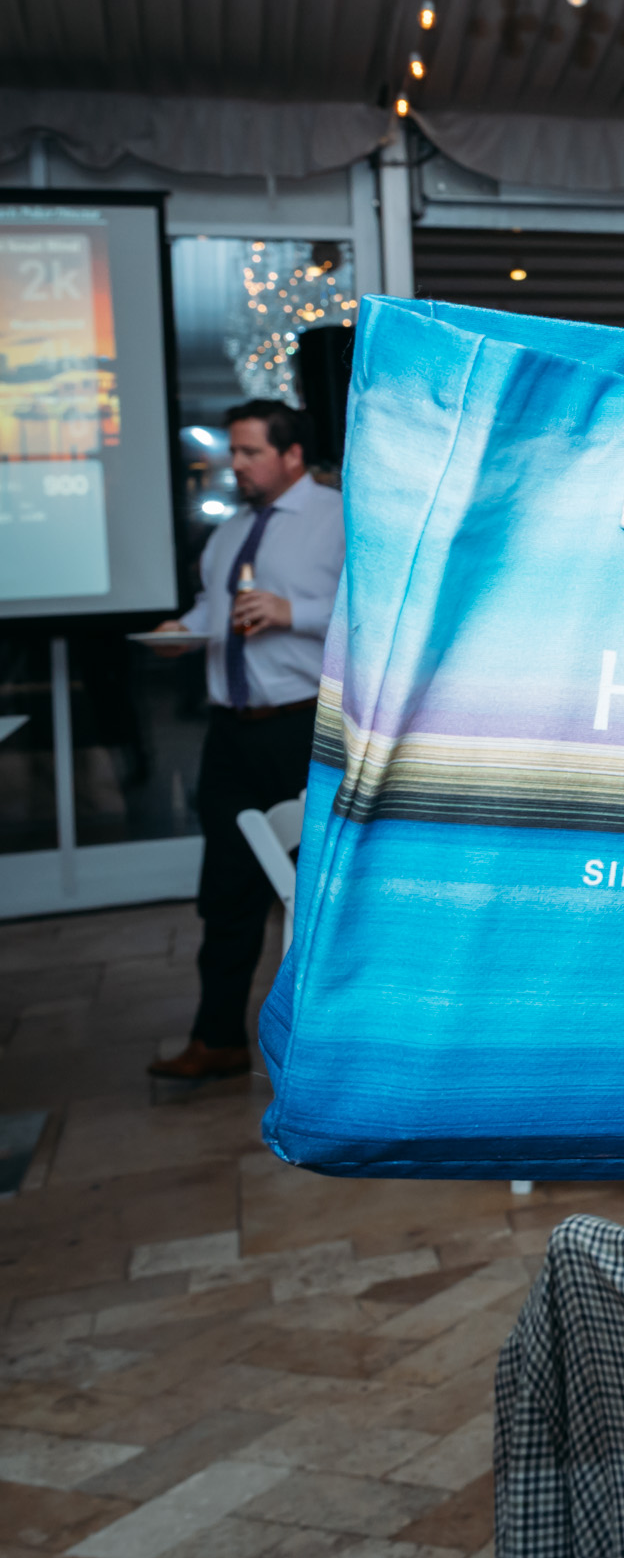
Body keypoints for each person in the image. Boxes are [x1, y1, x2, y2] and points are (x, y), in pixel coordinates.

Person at [148, 400, 344, 1080]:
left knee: (323, 891)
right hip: (230, 732)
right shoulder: (229, 534)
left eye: (249, 452)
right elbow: (214, 610)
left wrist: (296, 612)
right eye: (233, 452)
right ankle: (218, 1038)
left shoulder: (341, 518)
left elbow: (374, 615)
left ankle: (330, 1051)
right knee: (226, 888)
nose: (234, 464)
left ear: (292, 455)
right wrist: (182, 631)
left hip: (306, 728)